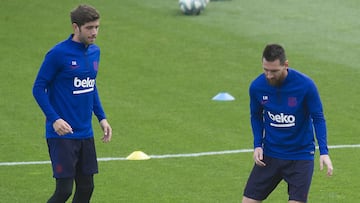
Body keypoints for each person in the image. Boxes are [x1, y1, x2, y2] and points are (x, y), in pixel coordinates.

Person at [32, 4, 112, 203]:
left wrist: (101, 117)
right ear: (75, 28)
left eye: (97, 27)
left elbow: (90, 86)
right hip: (62, 134)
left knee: (86, 188)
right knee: (64, 191)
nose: (94, 32)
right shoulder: (58, 54)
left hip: (85, 133)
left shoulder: (95, 52)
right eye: (89, 28)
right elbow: (38, 88)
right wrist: (55, 119)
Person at [242, 44, 333, 203]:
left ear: (286, 65)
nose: (269, 75)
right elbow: (256, 116)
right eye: (265, 70)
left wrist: (324, 152)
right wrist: (257, 144)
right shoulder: (257, 86)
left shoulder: (305, 85)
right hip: (270, 154)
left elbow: (318, 117)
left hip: (300, 156)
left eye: (274, 71)